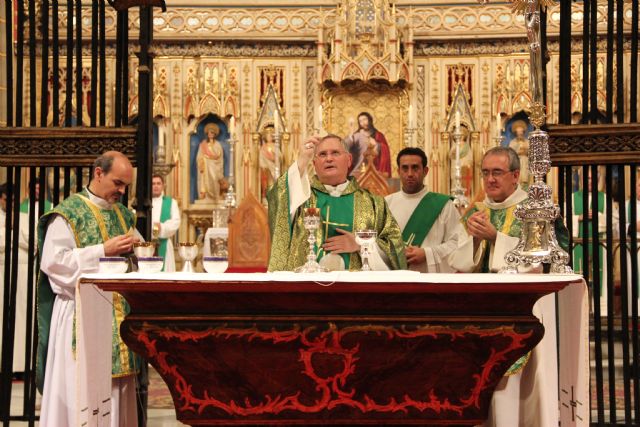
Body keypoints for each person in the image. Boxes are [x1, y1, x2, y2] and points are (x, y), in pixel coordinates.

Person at [448, 146, 569, 427]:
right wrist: (477, 241)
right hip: (482, 315)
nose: (490, 179)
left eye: (497, 173)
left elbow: (549, 254)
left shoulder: (533, 209)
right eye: (486, 173)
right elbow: (455, 260)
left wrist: (496, 238)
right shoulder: (476, 211)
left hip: (526, 312)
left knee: (519, 391)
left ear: (515, 175)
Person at [37, 151, 141, 427]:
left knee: (117, 394)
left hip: (117, 317)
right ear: (98, 173)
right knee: (80, 389)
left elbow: (139, 253)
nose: (121, 190)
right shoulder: (69, 213)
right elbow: (54, 263)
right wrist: (102, 251)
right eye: (117, 183)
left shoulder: (122, 214)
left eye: (125, 186)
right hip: (78, 313)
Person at [267, 134, 406, 271]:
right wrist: (302, 160)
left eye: (335, 153)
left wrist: (362, 245)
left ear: (349, 160)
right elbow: (278, 200)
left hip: (357, 290)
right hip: (308, 289)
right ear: (314, 164)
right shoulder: (301, 199)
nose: (329, 158)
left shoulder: (374, 203)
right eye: (322, 154)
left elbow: (395, 249)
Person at [385, 147, 462, 272]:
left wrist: (427, 254)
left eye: (415, 168)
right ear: (398, 171)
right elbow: (376, 245)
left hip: (431, 282)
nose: (410, 173)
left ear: (425, 171)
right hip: (395, 280)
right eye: (405, 168)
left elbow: (457, 243)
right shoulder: (386, 204)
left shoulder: (444, 205)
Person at [347, 112, 392, 177]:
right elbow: (349, 148)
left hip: (375, 167)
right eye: (360, 121)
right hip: (359, 167)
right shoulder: (356, 135)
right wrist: (351, 133)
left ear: (370, 120)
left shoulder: (378, 135)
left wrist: (377, 144)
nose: (363, 122)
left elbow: (385, 149)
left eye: (365, 119)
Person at [152, 174, 181, 272]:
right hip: (147, 244)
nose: (156, 186)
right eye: (153, 184)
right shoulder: (146, 203)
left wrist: (162, 227)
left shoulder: (171, 202)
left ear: (163, 185)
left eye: (158, 183)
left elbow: (176, 222)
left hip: (163, 243)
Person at [196, 122, 225, 202]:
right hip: (205, 166)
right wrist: (202, 161)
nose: (211, 134)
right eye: (209, 132)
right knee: (205, 181)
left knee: (215, 178)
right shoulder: (203, 144)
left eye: (212, 132)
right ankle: (206, 196)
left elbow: (219, 156)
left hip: (214, 167)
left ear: (215, 134)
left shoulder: (217, 144)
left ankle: (215, 196)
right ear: (207, 133)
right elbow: (199, 156)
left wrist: (211, 157)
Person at [508, 120, 530, 187]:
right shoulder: (513, 142)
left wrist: (526, 151)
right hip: (517, 161)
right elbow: (510, 153)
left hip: (526, 162)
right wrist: (518, 151)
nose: (520, 133)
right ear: (516, 133)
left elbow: (532, 152)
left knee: (526, 176)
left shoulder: (527, 141)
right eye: (518, 132)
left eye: (521, 132)